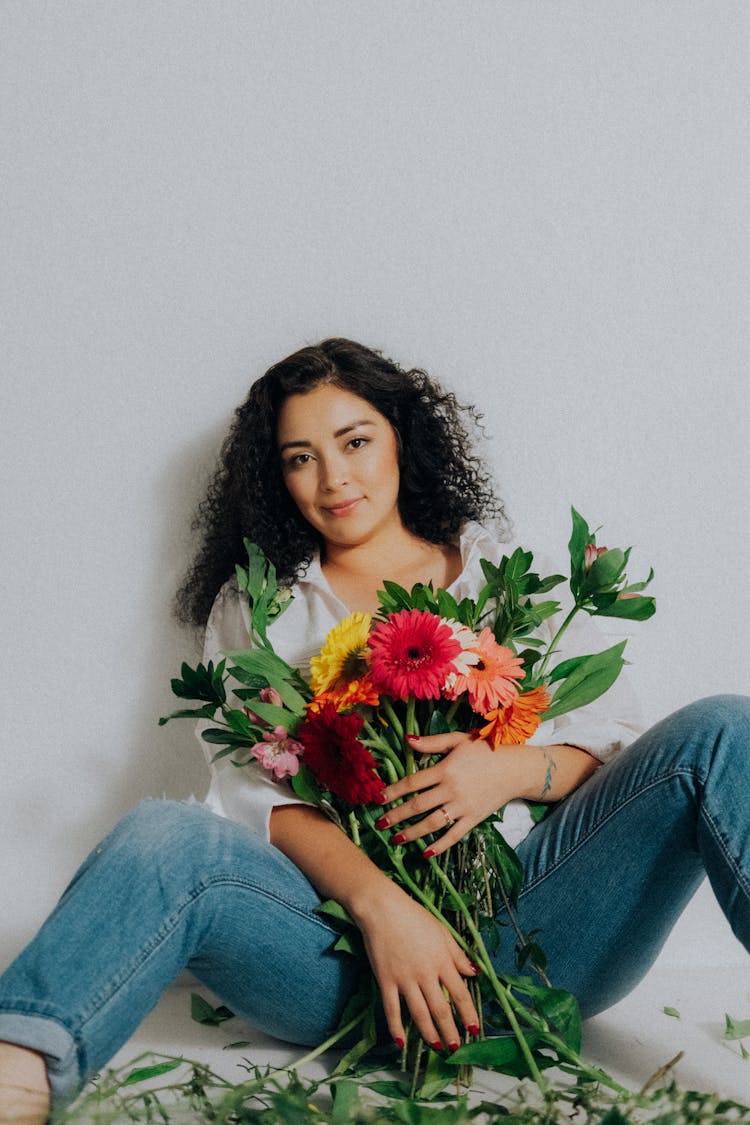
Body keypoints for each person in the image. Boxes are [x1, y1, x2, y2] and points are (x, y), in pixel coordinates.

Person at [0, 338, 748, 1123]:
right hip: (340, 969)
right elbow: (255, 795)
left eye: (355, 441)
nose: (334, 478)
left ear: (401, 435)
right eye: (300, 458)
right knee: (162, 830)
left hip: (542, 944)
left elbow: (613, 738)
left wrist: (506, 771)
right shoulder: (262, 608)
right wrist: (383, 906)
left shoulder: (502, 571)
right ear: (276, 477)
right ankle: (18, 1072)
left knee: (724, 728)